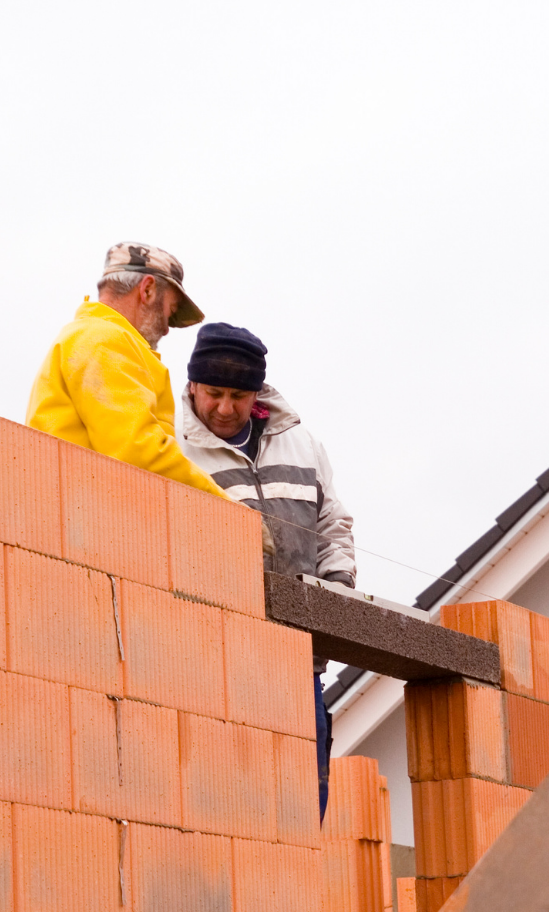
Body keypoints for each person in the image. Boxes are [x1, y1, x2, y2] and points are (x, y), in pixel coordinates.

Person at [178, 322, 356, 821]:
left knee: (301, 815)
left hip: (301, 667)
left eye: (239, 395)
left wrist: (336, 598)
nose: (224, 408)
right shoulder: (170, 445)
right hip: (212, 667)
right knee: (227, 815)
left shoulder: (301, 444)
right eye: (213, 393)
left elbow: (333, 524)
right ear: (192, 384)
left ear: (258, 394)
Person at [26, 242, 229, 500]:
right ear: (148, 290)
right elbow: (139, 451)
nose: (167, 329)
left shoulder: (88, 336)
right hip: (88, 518)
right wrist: (225, 508)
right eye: (171, 311)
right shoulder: (105, 340)